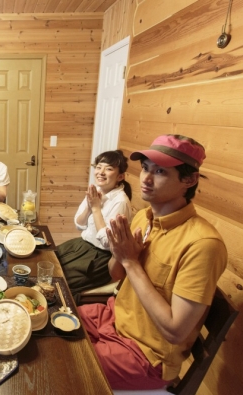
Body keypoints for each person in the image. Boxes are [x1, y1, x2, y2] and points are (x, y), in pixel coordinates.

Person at [77, 135, 227, 390]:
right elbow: (114, 274)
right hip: (114, 318)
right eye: (145, 168)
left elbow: (175, 331)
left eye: (159, 172)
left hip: (147, 354)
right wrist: (119, 253)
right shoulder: (142, 218)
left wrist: (131, 262)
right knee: (55, 321)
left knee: (68, 361)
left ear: (189, 180)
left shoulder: (203, 244)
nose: (146, 178)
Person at [56, 150, 132, 303]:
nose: (101, 172)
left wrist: (96, 208)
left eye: (109, 168)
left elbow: (108, 242)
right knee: (49, 260)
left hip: (100, 258)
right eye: (98, 167)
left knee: (60, 281)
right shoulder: (95, 191)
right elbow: (79, 223)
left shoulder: (120, 202)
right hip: (81, 245)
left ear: (120, 176)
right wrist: (90, 206)